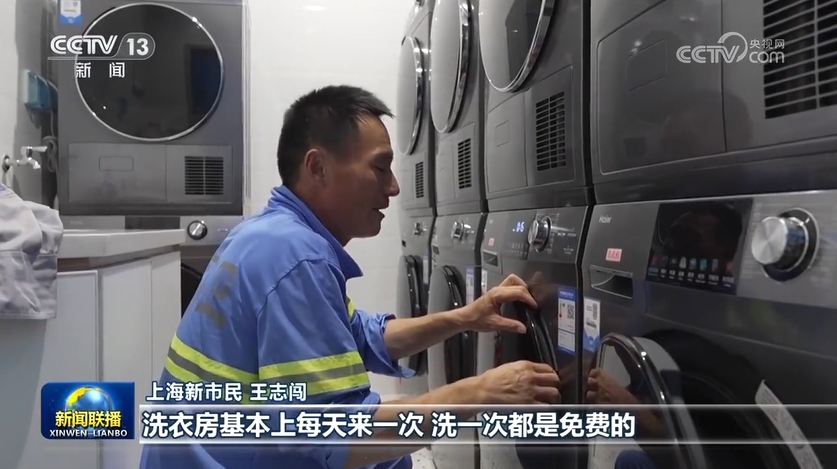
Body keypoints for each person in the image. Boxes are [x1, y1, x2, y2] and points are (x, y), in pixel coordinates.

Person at [139, 85, 561, 469]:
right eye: (380, 168)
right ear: (318, 167)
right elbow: (337, 439)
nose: (394, 187)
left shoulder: (267, 235)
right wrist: (479, 393)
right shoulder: (295, 258)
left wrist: (465, 317)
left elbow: (358, 336)